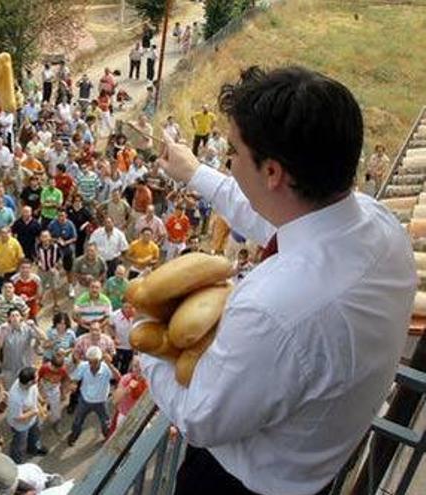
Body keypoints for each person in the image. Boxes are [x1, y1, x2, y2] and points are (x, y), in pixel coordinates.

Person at [148, 66, 416, 495]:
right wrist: (195, 172)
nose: (229, 163)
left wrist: (148, 342)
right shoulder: (378, 225)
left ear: (273, 172)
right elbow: (280, 215)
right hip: (317, 464)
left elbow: (200, 416)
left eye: (233, 152)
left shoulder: (275, 309)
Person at [67, 346, 120, 447]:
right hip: (85, 400)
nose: (91, 365)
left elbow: (118, 377)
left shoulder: (106, 368)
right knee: (78, 420)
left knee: (105, 423)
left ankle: (107, 437)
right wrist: (73, 384)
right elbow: (75, 378)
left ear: (100, 360)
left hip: (101, 401)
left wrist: (110, 364)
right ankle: (74, 436)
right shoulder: (83, 366)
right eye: (90, 361)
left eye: (95, 362)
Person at [6, 367, 48, 464]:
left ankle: (34, 448)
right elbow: (18, 417)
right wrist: (35, 411)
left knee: (35, 434)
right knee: (19, 444)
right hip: (21, 426)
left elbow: (35, 390)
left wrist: (41, 400)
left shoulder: (27, 383)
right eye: (36, 377)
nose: (38, 378)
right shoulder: (15, 397)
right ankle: (16, 461)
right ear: (30, 382)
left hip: (32, 419)